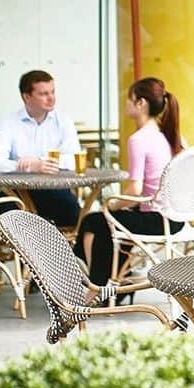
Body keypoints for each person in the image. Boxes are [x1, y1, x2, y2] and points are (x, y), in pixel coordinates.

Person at [76, 76, 183, 286]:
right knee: (108, 221)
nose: (126, 103)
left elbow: (135, 191)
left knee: (94, 220)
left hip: (156, 219)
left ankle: (96, 285)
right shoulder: (170, 136)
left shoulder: (139, 139)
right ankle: (114, 280)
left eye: (129, 99)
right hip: (176, 219)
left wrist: (113, 204)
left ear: (141, 104)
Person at [0, 69, 82, 228]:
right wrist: (25, 166)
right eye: (43, 94)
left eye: (52, 91)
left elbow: (74, 159)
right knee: (9, 215)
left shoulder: (64, 121)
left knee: (75, 216)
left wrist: (40, 162)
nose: (51, 98)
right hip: (15, 192)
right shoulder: (9, 123)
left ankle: (63, 251)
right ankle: (23, 253)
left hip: (54, 191)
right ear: (27, 97)